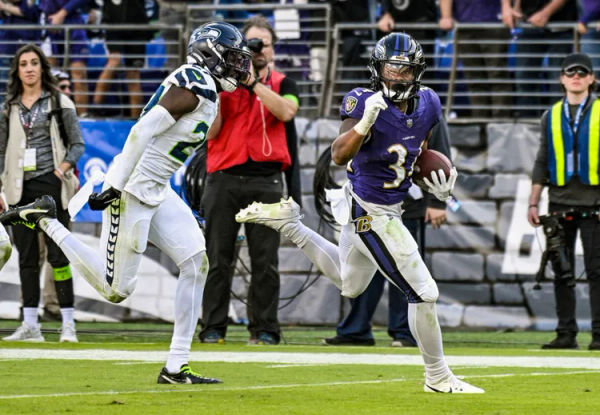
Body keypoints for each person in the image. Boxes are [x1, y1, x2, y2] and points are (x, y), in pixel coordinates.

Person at [0, 22, 252, 383]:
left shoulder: (207, 87)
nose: (237, 67)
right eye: (230, 58)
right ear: (210, 53)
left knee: (196, 262)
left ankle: (176, 366)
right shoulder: (195, 80)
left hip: (156, 187)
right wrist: (116, 184)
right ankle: (45, 219)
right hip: (131, 187)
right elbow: (143, 129)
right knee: (116, 289)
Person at [236, 32, 483, 394]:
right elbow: (338, 155)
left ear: (417, 72)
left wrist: (435, 184)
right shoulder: (360, 100)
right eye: (392, 67)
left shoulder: (429, 102)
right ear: (378, 68)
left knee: (350, 284)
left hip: (390, 206)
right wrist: (365, 123)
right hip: (369, 209)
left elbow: (416, 156)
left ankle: (291, 226)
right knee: (425, 293)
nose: (398, 75)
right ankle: (438, 377)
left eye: (405, 69)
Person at [198, 15, 300, 346]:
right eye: (250, 45)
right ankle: (213, 326)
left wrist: (253, 83)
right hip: (224, 176)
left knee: (265, 262)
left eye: (262, 45)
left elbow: (286, 112)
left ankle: (265, 329)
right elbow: (209, 133)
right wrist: (220, 84)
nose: (256, 51)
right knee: (217, 257)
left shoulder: (284, 83)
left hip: (266, 179)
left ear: (272, 50)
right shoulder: (222, 82)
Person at [323, 120, 451, 347]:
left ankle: (403, 330)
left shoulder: (425, 107)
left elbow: (437, 154)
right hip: (368, 203)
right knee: (361, 271)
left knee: (405, 272)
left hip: (406, 203)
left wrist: (437, 202)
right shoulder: (372, 106)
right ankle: (356, 328)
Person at [0, 44, 83, 343]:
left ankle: (68, 325)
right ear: (17, 70)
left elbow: (77, 144)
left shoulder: (59, 102)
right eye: (24, 64)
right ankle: (30, 325)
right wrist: (1, 185)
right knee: (27, 258)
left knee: (59, 256)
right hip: (18, 189)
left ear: (42, 68)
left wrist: (60, 172)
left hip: (50, 185)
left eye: (35, 62)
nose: (30, 68)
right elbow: (1, 151)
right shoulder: (9, 107)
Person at [527, 52, 600, 351]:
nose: (576, 77)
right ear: (561, 78)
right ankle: (565, 333)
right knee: (562, 271)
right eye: (571, 73)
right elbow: (542, 160)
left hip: (595, 201)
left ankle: (599, 334)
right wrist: (533, 203)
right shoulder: (551, 114)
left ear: (592, 79)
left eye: (582, 73)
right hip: (558, 201)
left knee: (597, 271)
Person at [501, 0, 577, 118]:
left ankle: (558, 127)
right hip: (528, 24)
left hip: (562, 26)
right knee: (524, 80)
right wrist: (507, 7)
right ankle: (526, 128)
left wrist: (546, 12)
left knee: (558, 83)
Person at [439, 0, 511, 118]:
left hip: (494, 23)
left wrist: (506, 7)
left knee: (498, 77)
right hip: (464, 26)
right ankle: (480, 125)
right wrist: (445, 16)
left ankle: (501, 125)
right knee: (474, 80)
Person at [91, 0, 152, 119]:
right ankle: (95, 108)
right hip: (113, 28)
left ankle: (135, 119)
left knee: (133, 74)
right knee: (114, 61)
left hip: (136, 30)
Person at [39, 0, 90, 115]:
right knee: (51, 76)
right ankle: (54, 118)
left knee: (79, 74)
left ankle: (83, 118)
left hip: (74, 25)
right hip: (49, 24)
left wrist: (61, 14)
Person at [578, 0, 600, 73]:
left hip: (592, 35)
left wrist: (583, 20)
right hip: (590, 34)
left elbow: (594, 6)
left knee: (590, 73)